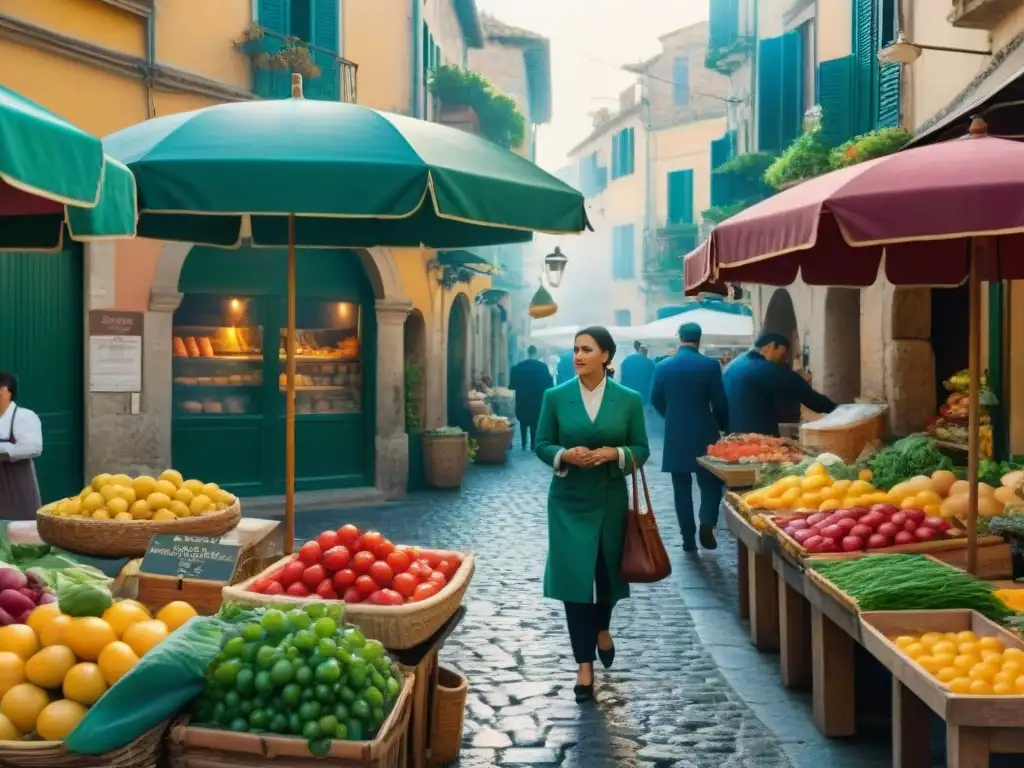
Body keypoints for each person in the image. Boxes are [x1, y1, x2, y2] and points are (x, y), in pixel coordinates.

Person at [535, 327, 649, 703]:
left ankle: (603, 627)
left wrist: (612, 455)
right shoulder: (555, 396)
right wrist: (564, 455)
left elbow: (641, 449)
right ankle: (584, 666)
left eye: (586, 349)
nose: (578, 356)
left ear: (606, 355)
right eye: (575, 349)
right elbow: (541, 444)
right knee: (574, 584)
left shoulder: (629, 400)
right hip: (568, 503)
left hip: (610, 499)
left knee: (606, 574)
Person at [651, 323, 729, 552]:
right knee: (711, 482)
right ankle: (707, 521)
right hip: (705, 431)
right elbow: (720, 401)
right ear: (699, 339)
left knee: (681, 488)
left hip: (675, 432)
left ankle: (688, 539)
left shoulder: (663, 366)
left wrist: (670, 415)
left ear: (679, 338)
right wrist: (725, 427)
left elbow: (655, 398)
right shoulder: (710, 366)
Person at [723, 332, 838, 436]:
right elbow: (806, 395)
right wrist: (838, 410)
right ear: (771, 346)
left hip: (731, 437)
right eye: (782, 354)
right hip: (757, 441)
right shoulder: (766, 368)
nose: (784, 360)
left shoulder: (731, 366)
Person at [0, 373, 43, 520]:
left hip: (16, 483)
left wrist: (3, 450)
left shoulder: (24, 417)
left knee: (20, 533)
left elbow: (33, 447)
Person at [508, 346, 554, 451]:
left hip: (522, 400)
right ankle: (533, 444)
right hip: (537, 401)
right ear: (535, 353)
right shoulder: (542, 367)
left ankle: (524, 444)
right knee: (535, 422)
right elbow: (550, 384)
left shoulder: (518, 367)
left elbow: (511, 386)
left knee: (523, 422)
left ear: (527, 352)